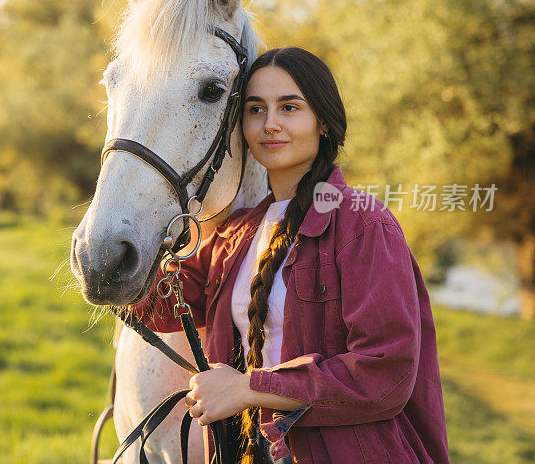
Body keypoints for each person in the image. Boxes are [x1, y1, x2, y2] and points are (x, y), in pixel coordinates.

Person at [132, 47, 450, 463]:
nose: (271, 124)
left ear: (323, 120)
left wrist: (249, 388)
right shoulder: (235, 234)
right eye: (255, 109)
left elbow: (384, 373)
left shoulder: (364, 225)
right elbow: (156, 308)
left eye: (289, 107)